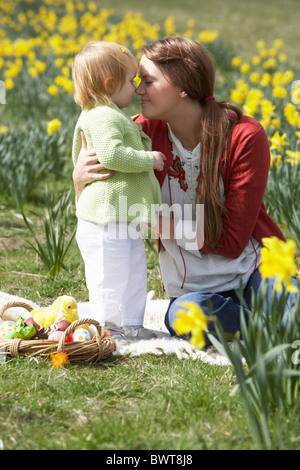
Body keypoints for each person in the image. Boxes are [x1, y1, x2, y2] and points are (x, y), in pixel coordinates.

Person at [72, 36, 289, 347]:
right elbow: (100, 209)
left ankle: (270, 322)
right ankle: (267, 327)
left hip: (254, 271)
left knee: (290, 308)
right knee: (185, 316)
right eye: (137, 81)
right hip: (194, 292)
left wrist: (156, 221)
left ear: (183, 86)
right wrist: (79, 179)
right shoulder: (136, 138)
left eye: (148, 81)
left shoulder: (243, 136)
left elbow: (231, 241)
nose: (138, 90)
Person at [71, 41, 166, 341]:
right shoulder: (103, 117)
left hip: (122, 217)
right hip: (104, 221)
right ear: (111, 84)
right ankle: (107, 327)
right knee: (108, 276)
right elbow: (111, 155)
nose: (136, 87)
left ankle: (133, 323)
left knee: (134, 272)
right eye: (131, 80)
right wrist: (148, 159)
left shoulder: (111, 115)